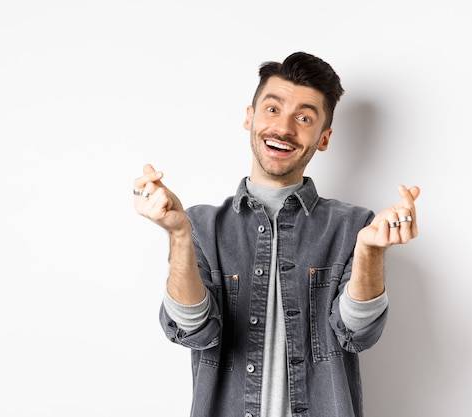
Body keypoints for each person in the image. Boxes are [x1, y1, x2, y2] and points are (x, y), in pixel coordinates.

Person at [133, 51, 420, 417]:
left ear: (324, 137)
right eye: (272, 109)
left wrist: (369, 251)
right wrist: (178, 235)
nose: (284, 128)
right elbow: (194, 331)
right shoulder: (200, 226)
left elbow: (356, 333)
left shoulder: (355, 226)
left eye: (304, 118)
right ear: (250, 117)